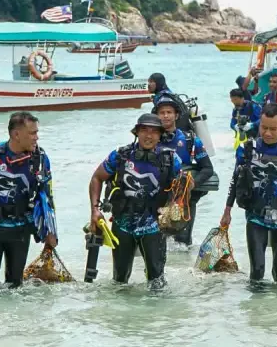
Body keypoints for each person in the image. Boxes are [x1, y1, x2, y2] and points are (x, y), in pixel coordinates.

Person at [220, 103, 277, 281]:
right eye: (264, 128)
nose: (268, 133)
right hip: (256, 216)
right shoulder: (247, 149)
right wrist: (227, 210)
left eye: (273, 129)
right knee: (257, 271)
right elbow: (235, 179)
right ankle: (256, 300)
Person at [88, 113, 181, 285]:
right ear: (136, 132)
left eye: (154, 131)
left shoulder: (170, 159)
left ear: (160, 135)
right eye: (144, 130)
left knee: (157, 281)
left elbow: (181, 188)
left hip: (154, 225)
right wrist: (95, 210)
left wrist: (175, 205)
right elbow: (96, 178)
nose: (148, 136)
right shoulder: (120, 156)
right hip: (122, 223)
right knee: (119, 280)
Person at [0, 112, 57, 287]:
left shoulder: (40, 159)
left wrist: (51, 231)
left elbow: (47, 196)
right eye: (32, 133)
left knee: (15, 285)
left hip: (21, 228)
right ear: (16, 134)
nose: (37, 137)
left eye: (37, 132)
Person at [156, 96, 214, 245]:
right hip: (157, 199)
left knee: (182, 243)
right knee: (156, 242)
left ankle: (184, 261)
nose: (165, 116)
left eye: (169, 112)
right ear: (156, 116)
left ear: (176, 116)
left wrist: (192, 184)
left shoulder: (191, 140)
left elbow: (207, 168)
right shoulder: (150, 140)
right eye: (162, 113)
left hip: (185, 199)